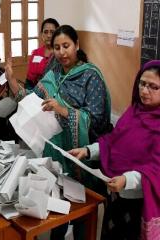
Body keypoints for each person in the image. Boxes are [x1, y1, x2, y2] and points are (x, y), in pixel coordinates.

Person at [6, 25, 112, 239]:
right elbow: (33, 99)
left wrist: (63, 111)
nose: (62, 52)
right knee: (58, 209)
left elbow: (98, 120)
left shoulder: (91, 76)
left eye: (66, 46)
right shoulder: (53, 74)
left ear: (77, 46)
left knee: (82, 213)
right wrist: (11, 81)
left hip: (83, 157)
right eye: (57, 47)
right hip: (58, 157)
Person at [68, 60, 160, 240]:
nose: (144, 90)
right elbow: (112, 142)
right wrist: (87, 151)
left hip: (139, 202)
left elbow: (156, 170)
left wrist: (127, 180)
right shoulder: (133, 112)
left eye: (153, 87)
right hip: (116, 193)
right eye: (142, 83)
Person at [26, 18, 60, 88]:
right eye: (46, 32)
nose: (49, 35)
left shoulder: (61, 54)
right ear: (41, 34)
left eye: (52, 32)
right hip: (35, 90)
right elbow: (29, 80)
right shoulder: (36, 53)